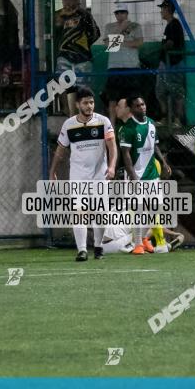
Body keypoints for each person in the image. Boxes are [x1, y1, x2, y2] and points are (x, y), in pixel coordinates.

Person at [48, 86, 116, 261]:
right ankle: (82, 250)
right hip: (78, 176)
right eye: (85, 103)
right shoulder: (69, 124)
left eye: (92, 102)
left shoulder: (103, 122)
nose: (89, 106)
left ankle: (99, 247)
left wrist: (111, 166)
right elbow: (60, 150)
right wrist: (53, 171)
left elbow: (112, 146)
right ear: (78, 104)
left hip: (100, 176)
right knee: (79, 211)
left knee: (100, 215)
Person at [118, 94, 172, 253]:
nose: (142, 107)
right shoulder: (126, 129)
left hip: (152, 175)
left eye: (143, 104)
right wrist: (133, 177)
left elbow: (155, 146)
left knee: (155, 208)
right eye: (138, 106)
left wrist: (163, 162)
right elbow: (125, 154)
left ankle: (150, 242)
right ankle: (137, 246)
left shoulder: (151, 124)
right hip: (136, 176)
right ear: (131, 109)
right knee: (138, 210)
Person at [53, 0, 100, 115]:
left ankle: (83, 113)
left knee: (83, 87)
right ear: (63, 0)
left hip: (83, 56)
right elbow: (54, 32)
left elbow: (96, 33)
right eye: (67, 0)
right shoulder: (57, 15)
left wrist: (84, 45)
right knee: (62, 82)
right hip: (64, 54)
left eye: (73, 0)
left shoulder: (84, 15)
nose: (70, 3)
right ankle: (68, 112)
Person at [103, 5, 143, 126]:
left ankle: (135, 124)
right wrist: (121, 28)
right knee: (112, 99)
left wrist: (119, 42)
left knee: (133, 98)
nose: (120, 15)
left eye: (122, 12)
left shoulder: (136, 26)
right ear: (115, 14)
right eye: (117, 13)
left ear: (127, 13)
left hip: (132, 66)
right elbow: (108, 45)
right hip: (114, 67)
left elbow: (139, 42)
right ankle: (112, 127)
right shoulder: (109, 27)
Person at [156, 0, 186, 127]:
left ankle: (177, 119)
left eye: (162, 9)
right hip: (166, 63)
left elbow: (170, 43)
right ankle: (165, 118)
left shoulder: (174, 24)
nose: (161, 12)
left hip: (173, 64)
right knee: (161, 91)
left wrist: (160, 48)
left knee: (176, 92)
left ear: (167, 9)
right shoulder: (170, 25)